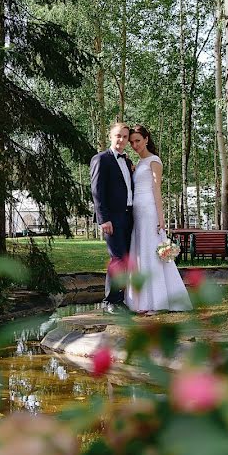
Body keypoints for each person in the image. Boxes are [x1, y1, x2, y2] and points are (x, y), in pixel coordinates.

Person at [125, 125, 192, 314]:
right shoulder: (139, 163)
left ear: (147, 139)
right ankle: (141, 300)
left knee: (151, 253)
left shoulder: (154, 161)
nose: (135, 145)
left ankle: (157, 301)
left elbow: (156, 189)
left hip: (149, 210)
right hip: (137, 211)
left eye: (138, 140)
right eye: (132, 142)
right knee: (140, 251)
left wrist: (161, 218)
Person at [90, 123, 134, 314]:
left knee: (126, 258)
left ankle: (119, 298)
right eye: (118, 136)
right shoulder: (101, 159)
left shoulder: (126, 160)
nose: (121, 140)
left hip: (129, 216)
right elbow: (96, 191)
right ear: (110, 136)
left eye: (125, 137)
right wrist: (103, 219)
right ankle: (110, 301)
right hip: (112, 219)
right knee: (117, 258)